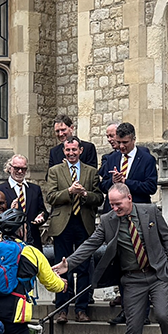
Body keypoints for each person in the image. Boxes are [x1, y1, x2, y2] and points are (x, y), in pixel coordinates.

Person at [56, 184, 168, 334]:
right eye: (112, 204)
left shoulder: (150, 211)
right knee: (133, 327)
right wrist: (68, 264)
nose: (115, 208)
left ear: (129, 198)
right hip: (132, 280)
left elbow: (167, 239)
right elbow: (90, 244)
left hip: (157, 274)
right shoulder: (108, 221)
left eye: (118, 204)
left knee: (162, 313)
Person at [44, 138, 103, 323]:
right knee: (62, 268)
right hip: (62, 225)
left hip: (84, 223)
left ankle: (81, 309)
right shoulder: (55, 171)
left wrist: (84, 194)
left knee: (84, 268)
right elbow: (50, 197)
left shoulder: (91, 171)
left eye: (74, 150)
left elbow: (99, 198)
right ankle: (62, 309)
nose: (71, 153)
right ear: (64, 151)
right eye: (68, 150)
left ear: (81, 150)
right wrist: (69, 191)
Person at [96, 122, 159, 204]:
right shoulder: (111, 158)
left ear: (134, 140)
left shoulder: (147, 159)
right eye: (119, 142)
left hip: (138, 206)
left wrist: (125, 182)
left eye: (125, 142)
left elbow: (151, 187)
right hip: (113, 209)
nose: (121, 146)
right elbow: (103, 187)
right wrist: (113, 181)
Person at [0, 155, 48, 248]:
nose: (20, 171)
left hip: (33, 241)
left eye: (23, 169)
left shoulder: (35, 189)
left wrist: (42, 216)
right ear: (9, 168)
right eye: (16, 168)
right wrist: (10, 210)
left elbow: (42, 210)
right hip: (9, 242)